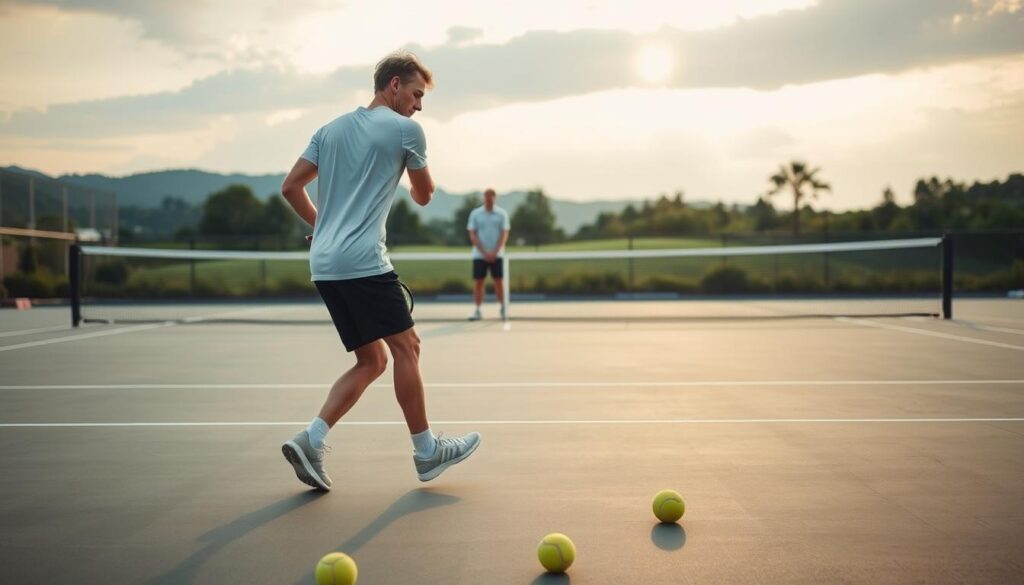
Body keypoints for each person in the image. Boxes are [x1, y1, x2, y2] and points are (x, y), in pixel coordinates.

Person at [278, 51, 480, 491]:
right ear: (393, 85)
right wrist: (414, 169)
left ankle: (310, 440)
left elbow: (291, 187)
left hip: (326, 264)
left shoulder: (328, 130)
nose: (419, 105)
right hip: (364, 262)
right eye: (415, 94)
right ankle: (427, 452)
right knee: (408, 348)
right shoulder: (407, 130)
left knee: (372, 360)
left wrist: (324, 226)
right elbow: (424, 197)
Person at [466, 188, 511, 321]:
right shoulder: (475, 214)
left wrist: (495, 252)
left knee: (498, 281)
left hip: (498, 255)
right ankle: (478, 310)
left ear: (495, 198)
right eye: (487, 196)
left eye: (492, 197)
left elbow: (504, 234)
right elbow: (472, 234)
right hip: (479, 255)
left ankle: (503, 308)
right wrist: (485, 253)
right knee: (479, 282)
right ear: (483, 198)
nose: (489, 199)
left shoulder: (502, 214)